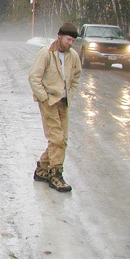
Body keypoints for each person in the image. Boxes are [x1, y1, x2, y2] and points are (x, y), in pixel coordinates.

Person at [28, 23, 82, 192]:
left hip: (63, 103)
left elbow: (76, 76)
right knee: (56, 138)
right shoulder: (46, 53)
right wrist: (44, 98)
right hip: (49, 102)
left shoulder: (73, 55)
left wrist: (70, 93)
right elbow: (34, 77)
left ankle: (42, 169)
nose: (70, 43)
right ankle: (56, 174)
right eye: (68, 39)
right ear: (59, 36)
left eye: (73, 40)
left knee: (62, 140)